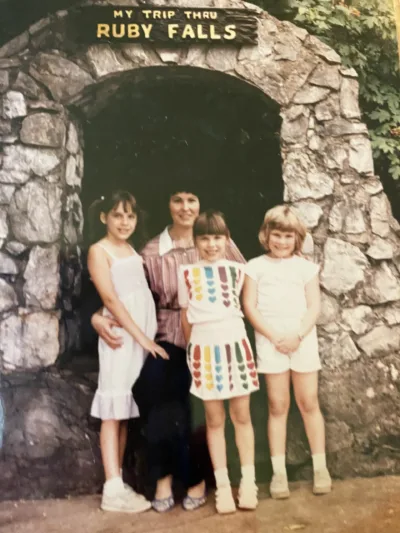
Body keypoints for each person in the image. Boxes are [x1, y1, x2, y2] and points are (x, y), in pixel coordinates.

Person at [92, 187, 245, 512]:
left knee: (203, 405)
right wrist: (96, 317)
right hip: (166, 337)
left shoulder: (219, 241)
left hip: (211, 337)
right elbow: (123, 290)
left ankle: (197, 478)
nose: (185, 207)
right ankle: (163, 479)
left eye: (192, 199)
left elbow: (246, 285)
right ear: (168, 204)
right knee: (162, 397)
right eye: (178, 199)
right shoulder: (149, 251)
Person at [242, 205, 332, 499]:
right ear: (266, 235)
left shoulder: (306, 268)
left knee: (308, 402)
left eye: (288, 236)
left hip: (301, 340)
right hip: (271, 342)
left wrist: (296, 335)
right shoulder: (254, 266)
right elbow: (250, 306)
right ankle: (278, 473)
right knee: (277, 405)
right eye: (276, 235)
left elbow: (314, 306)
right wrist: (274, 337)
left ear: (297, 238)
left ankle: (321, 467)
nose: (282, 242)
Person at [87, 190, 168, 513]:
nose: (124, 222)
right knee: (112, 407)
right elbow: (110, 299)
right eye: (117, 215)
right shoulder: (99, 250)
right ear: (104, 217)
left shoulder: (131, 249)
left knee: (123, 410)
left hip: (138, 334)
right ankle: (111, 488)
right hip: (121, 336)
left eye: (130, 216)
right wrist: (142, 338)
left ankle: (118, 484)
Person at [178, 210, 259, 514]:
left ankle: (248, 483)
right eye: (204, 238)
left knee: (241, 416)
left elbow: (246, 307)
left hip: (235, 346)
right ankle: (223, 487)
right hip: (203, 349)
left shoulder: (240, 270)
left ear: (227, 239)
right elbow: (186, 317)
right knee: (214, 420)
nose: (211, 244)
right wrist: (192, 350)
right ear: (195, 240)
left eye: (217, 237)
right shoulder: (185, 273)